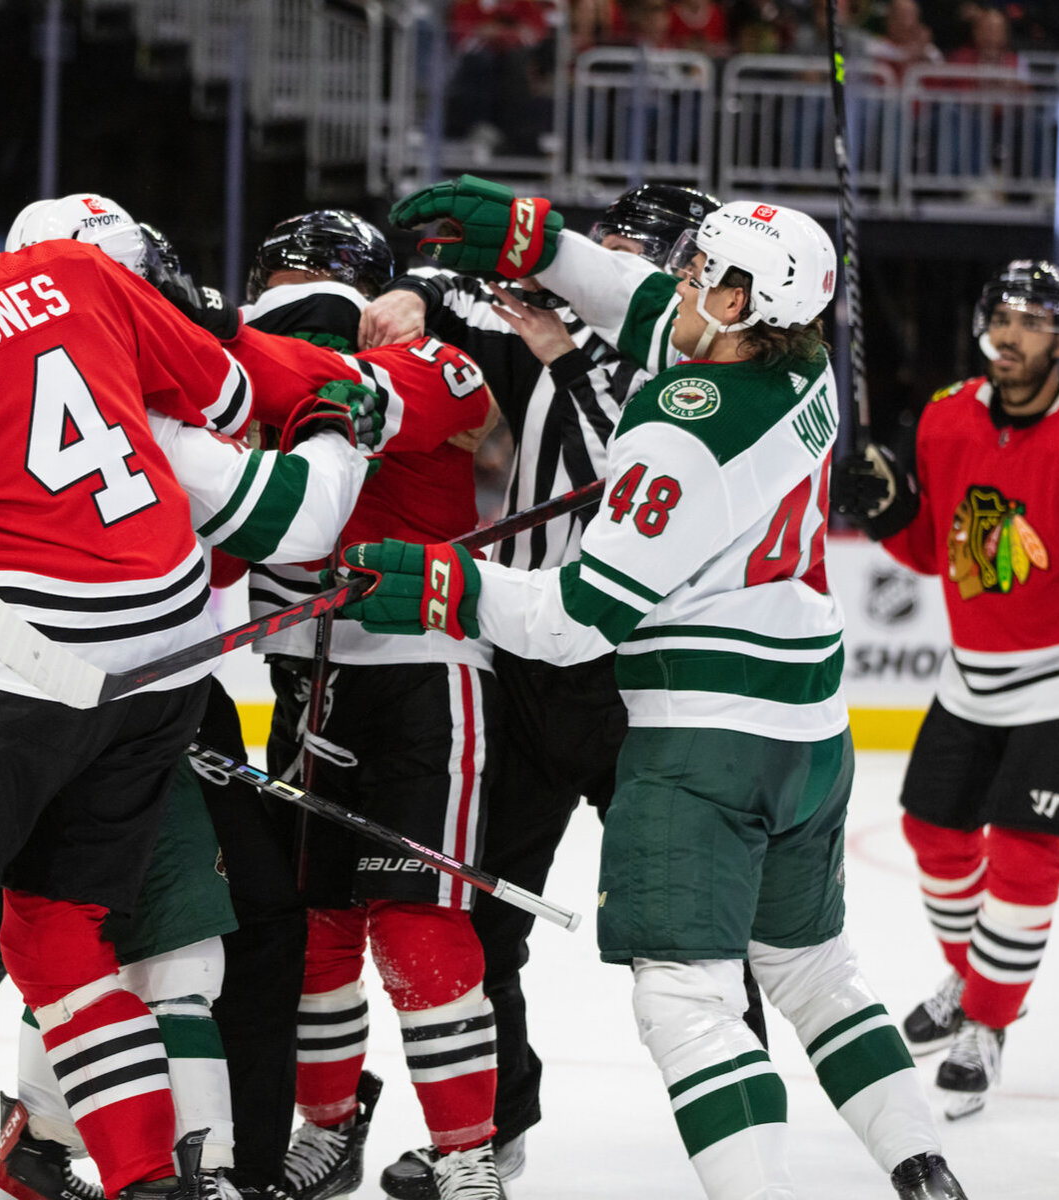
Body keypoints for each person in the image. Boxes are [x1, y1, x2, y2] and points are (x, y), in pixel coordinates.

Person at [347, 174, 970, 1200]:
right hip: (810, 731)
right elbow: (637, 307)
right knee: (813, 971)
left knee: (683, 999)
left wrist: (435, 583)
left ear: (736, 307)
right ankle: (924, 1168)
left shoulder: (681, 433)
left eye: (699, 271)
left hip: (701, 743)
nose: (677, 280)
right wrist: (533, 238)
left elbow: (573, 619)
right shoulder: (806, 368)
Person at [0, 190, 383, 1200]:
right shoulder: (81, 286)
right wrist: (339, 420)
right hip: (159, 678)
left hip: (26, 665)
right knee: (63, 939)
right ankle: (145, 1180)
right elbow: (240, 399)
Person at [355, 184, 774, 1200]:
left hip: (639, 683)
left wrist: (565, 353)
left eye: (636, 257)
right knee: (484, 918)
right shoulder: (554, 327)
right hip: (528, 669)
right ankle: (494, 1131)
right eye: (604, 251)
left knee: (692, 930)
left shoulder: (689, 378)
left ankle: (753, 1125)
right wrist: (415, 291)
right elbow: (460, 287)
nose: (602, 272)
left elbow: (623, 464)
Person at [223, 210, 507, 1200]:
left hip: (426, 676)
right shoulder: (253, 380)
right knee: (315, 927)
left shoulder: (431, 363)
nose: (297, 295)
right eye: (281, 277)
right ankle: (330, 1127)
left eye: (315, 280)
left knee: (419, 926)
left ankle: (469, 1158)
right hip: (307, 677)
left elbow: (363, 396)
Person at [833, 259, 1059, 1120]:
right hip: (974, 675)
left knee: (1023, 850)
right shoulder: (945, 416)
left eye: (1033, 321)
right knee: (930, 829)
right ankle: (974, 979)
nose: (1010, 334)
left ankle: (988, 1023)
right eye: (1000, 317)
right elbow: (935, 554)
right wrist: (888, 519)